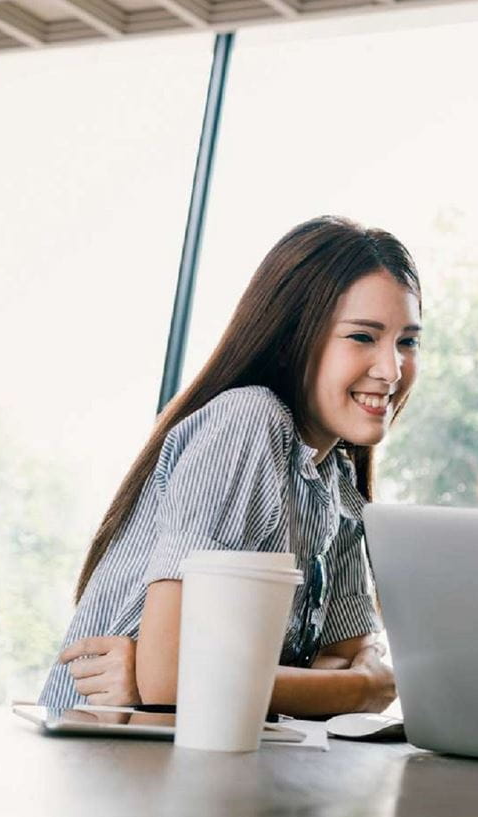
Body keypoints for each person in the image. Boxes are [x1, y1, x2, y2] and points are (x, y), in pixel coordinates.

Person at [38, 216, 420, 716]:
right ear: (293, 338)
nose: (392, 370)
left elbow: (351, 656)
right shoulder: (248, 421)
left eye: (407, 342)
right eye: (363, 337)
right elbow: (171, 680)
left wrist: (211, 677)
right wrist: (359, 687)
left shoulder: (335, 479)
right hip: (102, 766)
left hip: (200, 766)